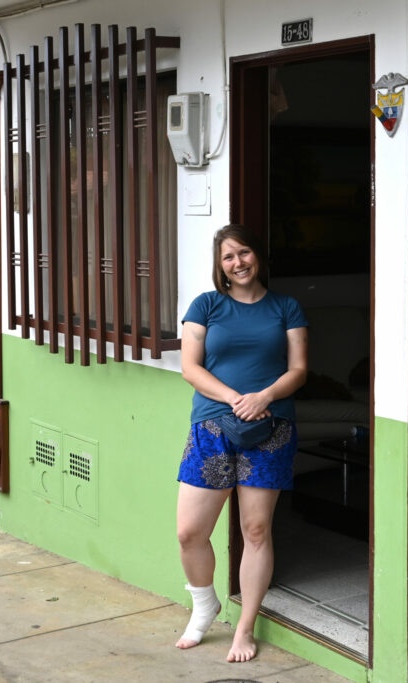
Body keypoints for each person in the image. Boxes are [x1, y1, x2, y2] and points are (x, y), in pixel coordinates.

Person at [174, 224, 308, 662]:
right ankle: (203, 606)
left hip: (271, 430)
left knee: (255, 529)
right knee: (190, 531)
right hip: (212, 428)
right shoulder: (206, 305)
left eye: (244, 253)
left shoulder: (286, 308)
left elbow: (298, 370)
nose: (238, 263)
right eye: (228, 257)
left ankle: (244, 629)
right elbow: (190, 368)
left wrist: (265, 396)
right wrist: (235, 399)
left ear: (258, 256)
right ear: (220, 267)